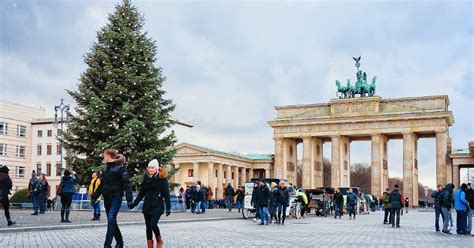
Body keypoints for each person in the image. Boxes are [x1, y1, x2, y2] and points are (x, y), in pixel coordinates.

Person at [91, 149, 133, 248]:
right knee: (112, 220)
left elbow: (127, 184)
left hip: (116, 197)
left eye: (105, 155)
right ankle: (120, 242)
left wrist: (129, 200)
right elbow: (101, 185)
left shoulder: (121, 169)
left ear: (109, 156)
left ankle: (107, 245)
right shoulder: (105, 169)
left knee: (111, 218)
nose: (104, 157)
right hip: (107, 198)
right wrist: (94, 197)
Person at [129, 159, 171, 248]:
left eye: (152, 168)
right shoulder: (146, 178)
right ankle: (150, 246)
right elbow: (141, 193)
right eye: (149, 168)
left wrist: (168, 208)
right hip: (147, 206)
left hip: (157, 206)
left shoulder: (162, 179)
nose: (150, 169)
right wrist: (134, 203)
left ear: (156, 168)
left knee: (153, 224)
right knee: (148, 227)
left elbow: (166, 195)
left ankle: (159, 241)